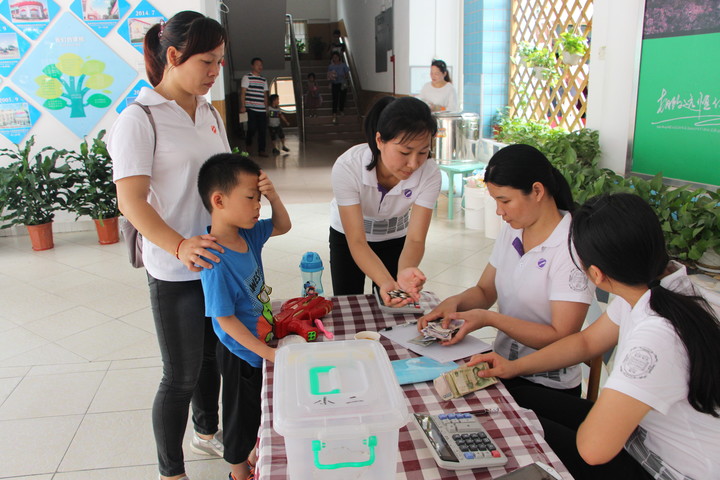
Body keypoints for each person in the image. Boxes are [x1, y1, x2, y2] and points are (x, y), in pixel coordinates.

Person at [471, 193, 720, 479]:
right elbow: (587, 341)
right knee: (516, 397)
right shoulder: (661, 288)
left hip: (667, 469)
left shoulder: (656, 336)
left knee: (515, 429)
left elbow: (593, 449)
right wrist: (514, 367)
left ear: (597, 274)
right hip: (644, 438)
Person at [107, 11, 228, 480]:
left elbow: (219, 178)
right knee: (180, 375)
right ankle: (170, 471)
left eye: (220, 61)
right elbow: (131, 202)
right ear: (174, 56)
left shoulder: (209, 112)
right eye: (207, 61)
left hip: (216, 261)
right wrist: (179, 247)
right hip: (175, 268)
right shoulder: (139, 119)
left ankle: (206, 433)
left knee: (212, 359)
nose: (215, 71)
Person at [419, 144, 593, 404]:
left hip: (547, 384)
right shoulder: (514, 229)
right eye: (496, 201)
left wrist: (491, 319)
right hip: (500, 365)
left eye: (505, 201)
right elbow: (485, 291)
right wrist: (454, 304)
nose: (499, 212)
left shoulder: (571, 247)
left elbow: (561, 337)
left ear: (537, 191)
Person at [198, 153, 291, 480]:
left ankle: (253, 453)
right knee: (240, 417)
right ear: (219, 200)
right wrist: (266, 353)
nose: (258, 206)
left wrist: (273, 195)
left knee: (259, 409)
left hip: (260, 345)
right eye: (251, 198)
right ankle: (238, 472)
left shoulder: (246, 234)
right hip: (240, 353)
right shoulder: (214, 259)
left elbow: (283, 225)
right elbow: (224, 320)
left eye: (259, 198)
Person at [329, 96, 441, 307]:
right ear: (380, 141)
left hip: (395, 238)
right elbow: (357, 240)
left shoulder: (430, 173)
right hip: (349, 238)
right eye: (405, 152)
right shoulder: (348, 166)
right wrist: (386, 281)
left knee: (393, 305)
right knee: (348, 301)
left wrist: (404, 272)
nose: (413, 163)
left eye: (423, 152)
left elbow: (416, 239)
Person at [240, 57, 269, 157]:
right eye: (257, 65)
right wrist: (243, 106)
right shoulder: (247, 77)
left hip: (261, 109)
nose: (260, 67)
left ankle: (262, 150)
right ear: (252, 66)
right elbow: (243, 93)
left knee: (262, 130)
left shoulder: (264, 80)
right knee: (251, 128)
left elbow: (265, 95)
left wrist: (266, 108)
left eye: (261, 65)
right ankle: (248, 145)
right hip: (250, 108)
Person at [327, 51, 349, 124]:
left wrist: (341, 76)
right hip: (334, 83)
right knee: (335, 98)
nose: (335, 58)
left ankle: (341, 110)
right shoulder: (331, 66)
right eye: (333, 57)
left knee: (342, 97)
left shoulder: (343, 65)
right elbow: (329, 75)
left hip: (342, 83)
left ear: (339, 57)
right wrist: (331, 78)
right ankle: (334, 112)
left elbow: (347, 74)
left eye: (336, 57)